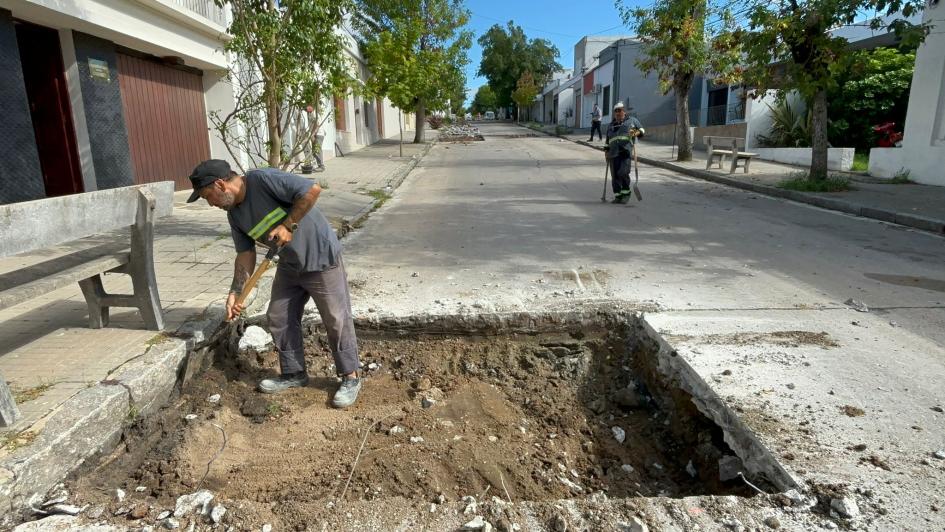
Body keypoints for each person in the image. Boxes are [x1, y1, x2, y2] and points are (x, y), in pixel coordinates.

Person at [186, 160, 362, 408]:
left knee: (336, 318)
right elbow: (245, 254)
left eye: (207, 196)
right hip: (290, 265)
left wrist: (288, 225)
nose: (210, 203)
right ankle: (294, 373)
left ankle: (350, 376)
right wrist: (236, 292)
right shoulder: (235, 215)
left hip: (320, 257)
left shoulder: (261, 180)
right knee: (279, 316)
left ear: (220, 184)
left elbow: (312, 189)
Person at [604, 102, 645, 204]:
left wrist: (635, 133)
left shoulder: (631, 121)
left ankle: (626, 193)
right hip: (613, 153)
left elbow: (642, 130)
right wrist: (606, 152)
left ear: (624, 111)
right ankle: (618, 196)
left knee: (623, 173)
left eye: (620, 110)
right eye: (616, 111)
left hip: (625, 152)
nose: (618, 113)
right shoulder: (611, 125)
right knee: (615, 176)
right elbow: (607, 141)